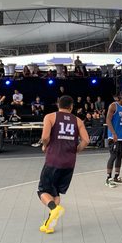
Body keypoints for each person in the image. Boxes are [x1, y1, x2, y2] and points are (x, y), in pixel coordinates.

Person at [37, 96, 89, 234]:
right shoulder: (78, 120)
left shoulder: (50, 117)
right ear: (71, 107)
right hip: (69, 163)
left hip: (53, 160)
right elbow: (86, 140)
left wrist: (45, 146)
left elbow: (45, 137)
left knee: (42, 191)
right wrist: (76, 150)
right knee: (56, 192)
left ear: (58, 105)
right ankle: (49, 224)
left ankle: (54, 209)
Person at [105, 90, 122, 188]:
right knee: (113, 156)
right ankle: (108, 179)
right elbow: (108, 120)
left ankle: (116, 177)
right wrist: (113, 133)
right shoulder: (113, 106)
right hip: (113, 136)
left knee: (120, 156)